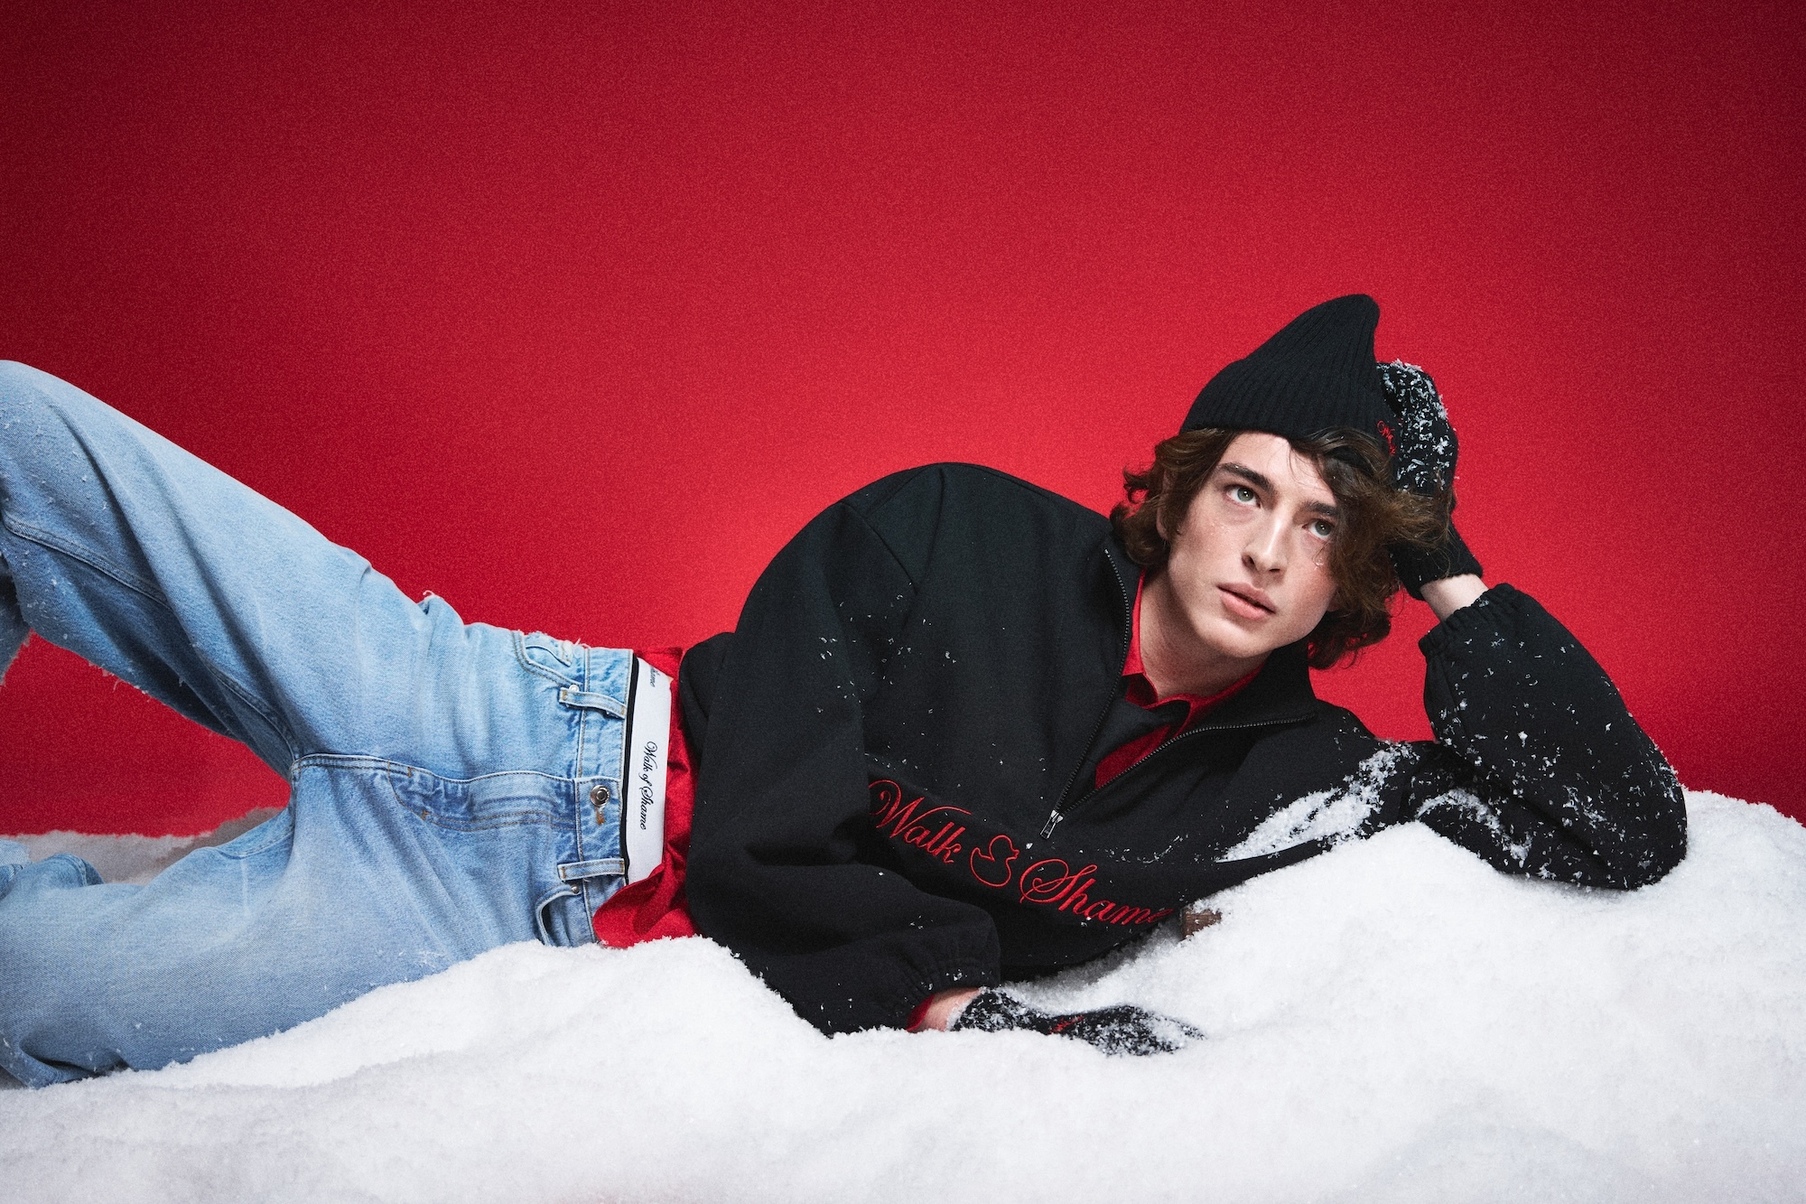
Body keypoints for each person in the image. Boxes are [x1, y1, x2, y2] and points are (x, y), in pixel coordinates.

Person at [0, 296, 1686, 1085]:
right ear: (1181, 492)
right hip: (510, 720)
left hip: (504, 932)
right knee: (20, 438)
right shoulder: (956, 529)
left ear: (1352, 580)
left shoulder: (1298, 782)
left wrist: (1448, 563)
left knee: (29, 997)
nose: (1262, 549)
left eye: (1324, 530)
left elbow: (1624, 829)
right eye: (1245, 490)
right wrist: (944, 994)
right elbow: (767, 824)